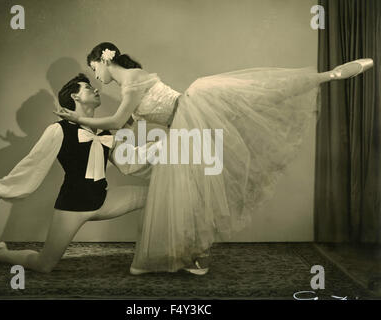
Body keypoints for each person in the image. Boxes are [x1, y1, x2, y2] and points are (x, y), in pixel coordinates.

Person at [54, 42, 374, 275]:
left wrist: (80, 119)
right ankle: (197, 256)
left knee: (255, 98)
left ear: (104, 58)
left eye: (94, 68)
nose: (95, 76)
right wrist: (79, 128)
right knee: (193, 187)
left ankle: (326, 76)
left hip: (194, 112)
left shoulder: (132, 80)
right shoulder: (132, 89)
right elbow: (121, 126)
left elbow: (114, 121)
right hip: (188, 124)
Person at [0, 73, 155, 273]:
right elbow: (32, 164)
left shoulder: (105, 132)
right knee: (44, 265)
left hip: (103, 199)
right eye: (88, 88)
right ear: (75, 97)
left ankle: (150, 257)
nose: (96, 89)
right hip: (73, 206)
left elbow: (128, 163)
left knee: (155, 196)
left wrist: (165, 159)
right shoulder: (58, 130)